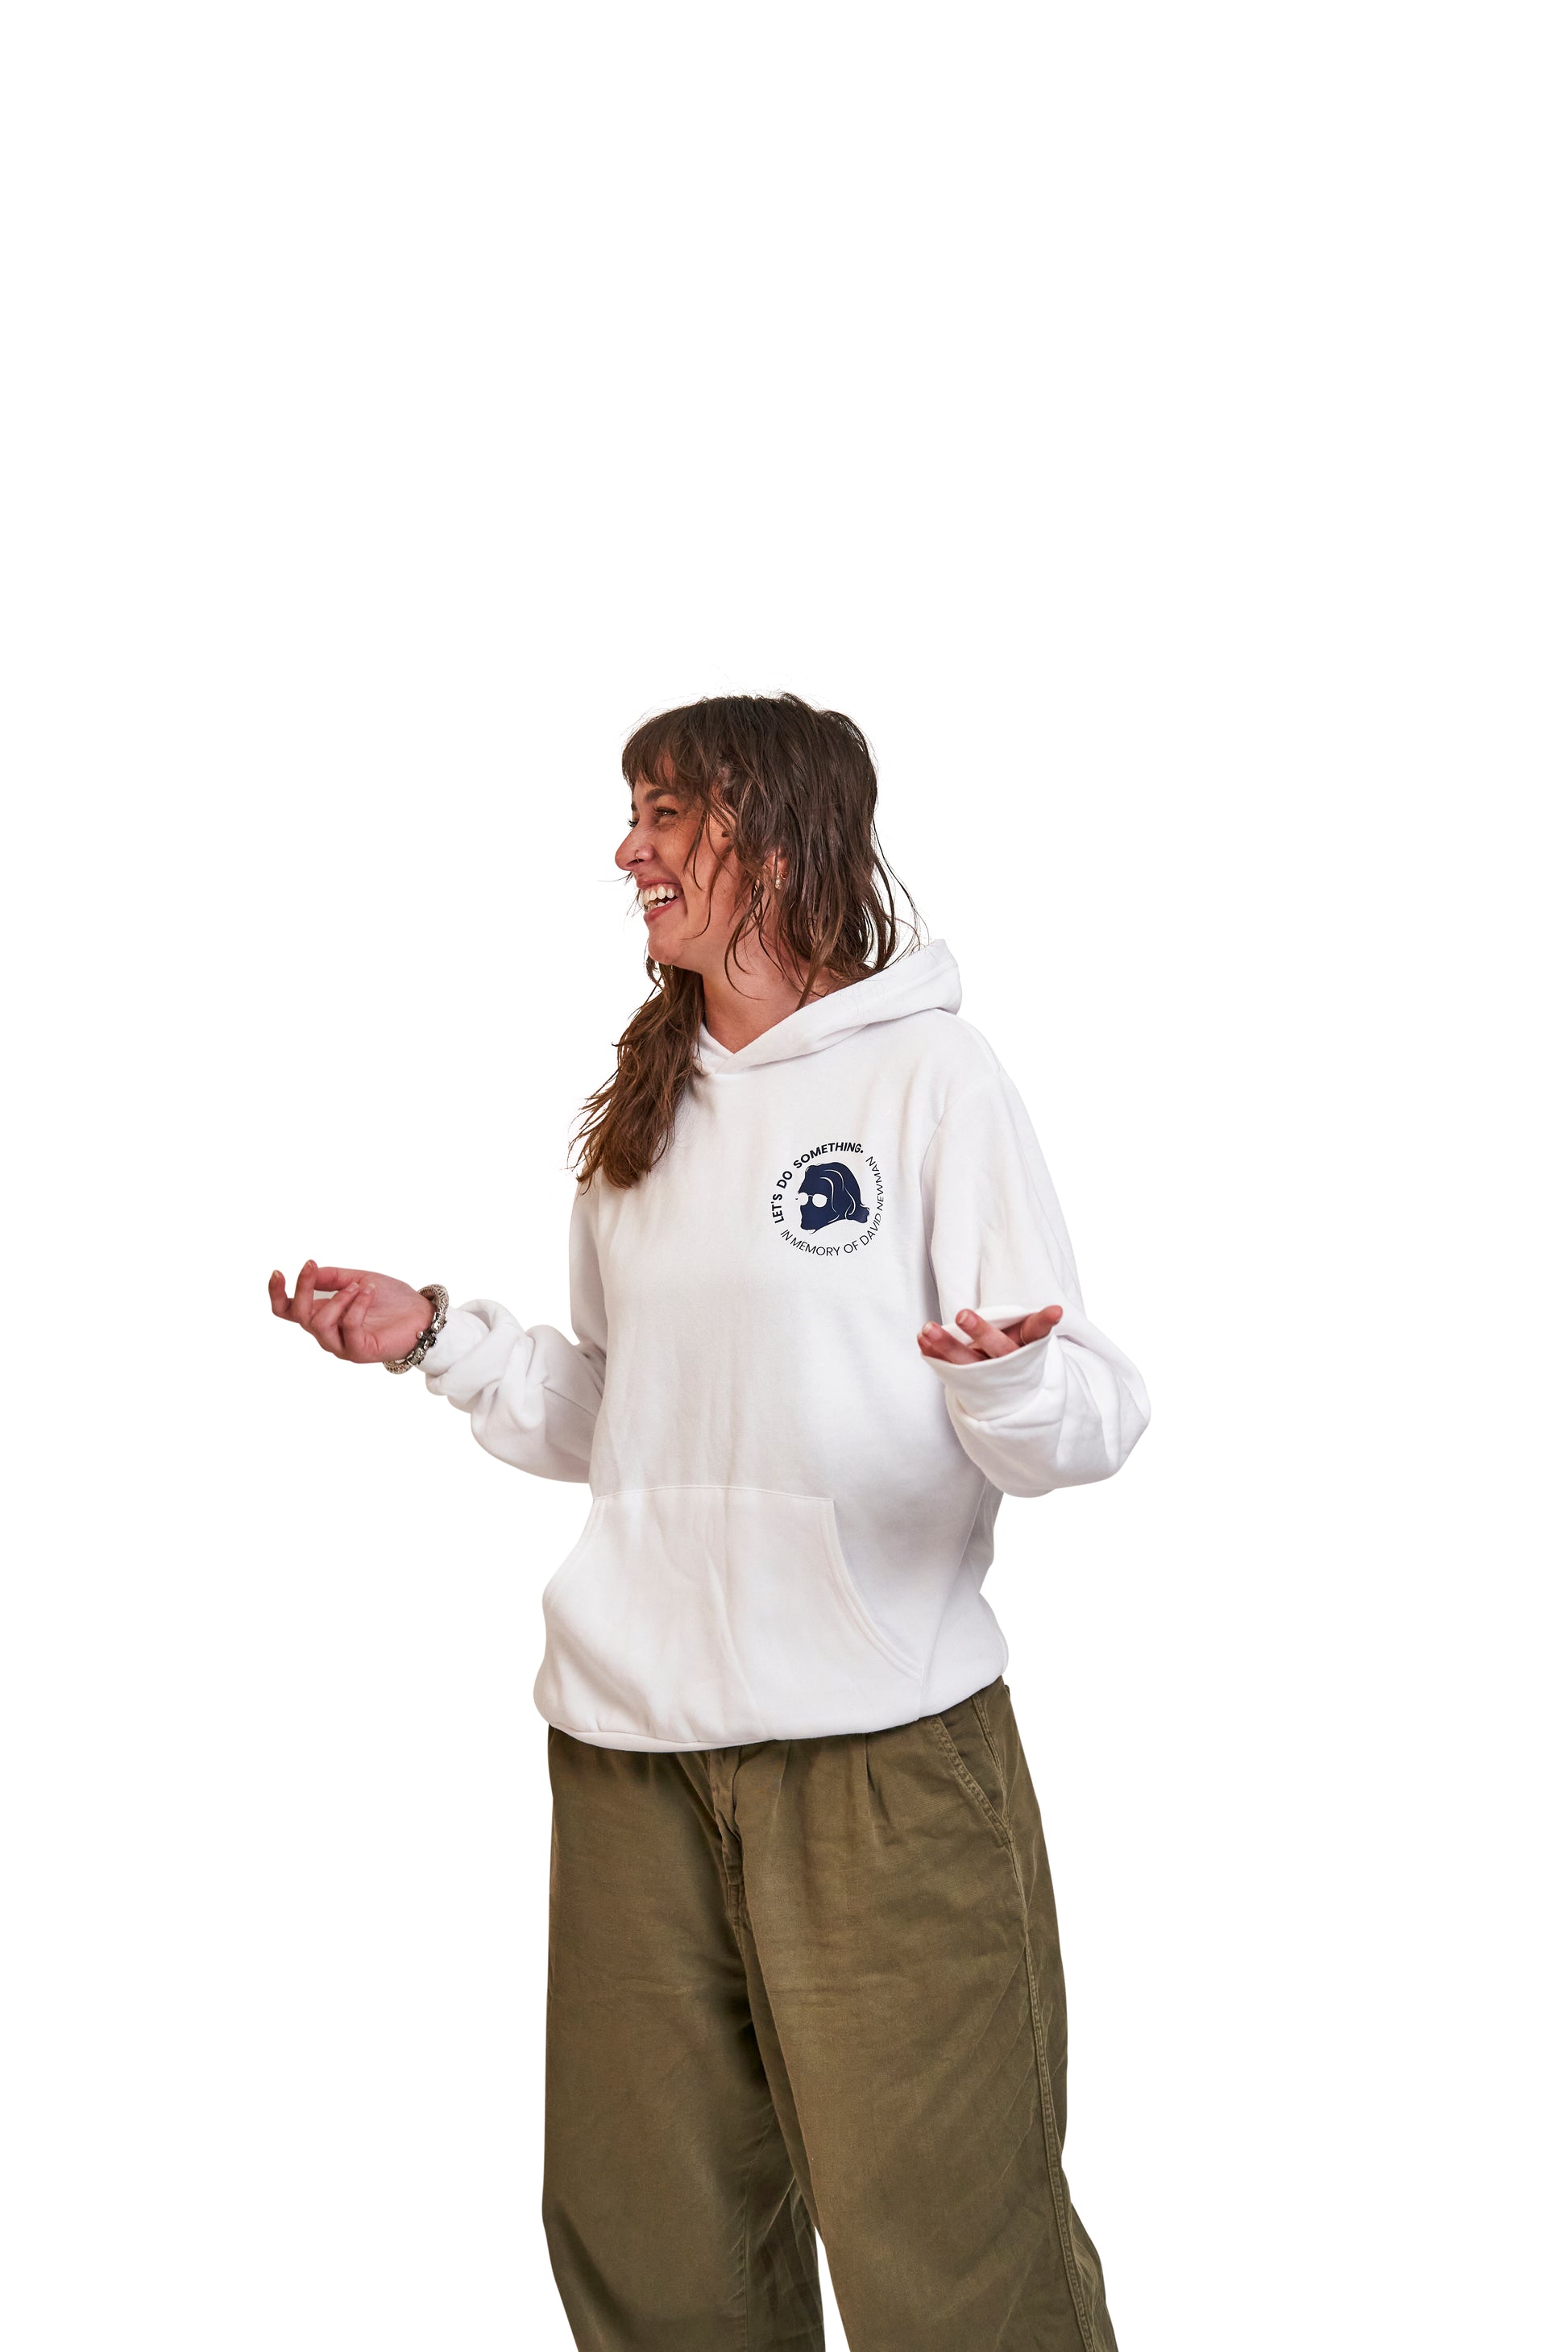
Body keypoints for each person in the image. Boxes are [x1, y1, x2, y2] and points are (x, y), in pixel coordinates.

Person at [269, 692, 1150, 2352]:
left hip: (877, 1762)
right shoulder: (643, 1113)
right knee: (655, 2256)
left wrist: (1008, 1380)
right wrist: (438, 1339)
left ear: (781, 839)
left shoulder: (932, 1080)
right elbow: (631, 1421)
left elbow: (1087, 1413)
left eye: (665, 814)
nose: (628, 851)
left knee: (954, 2260)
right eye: (634, 814)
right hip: (630, 1755)